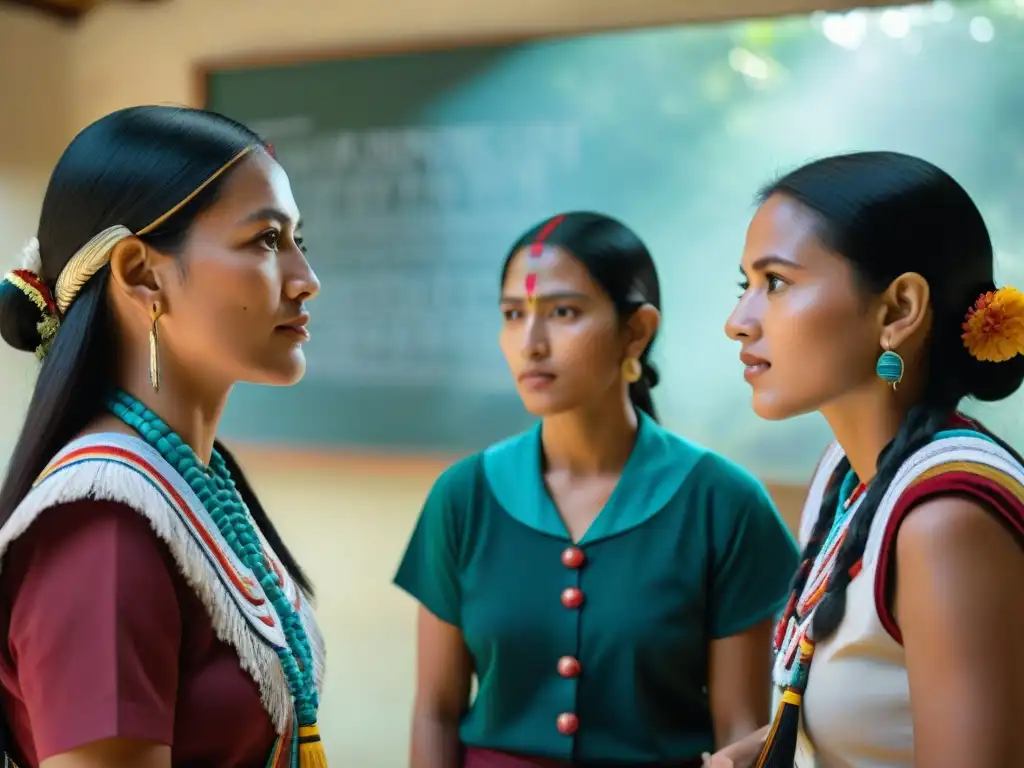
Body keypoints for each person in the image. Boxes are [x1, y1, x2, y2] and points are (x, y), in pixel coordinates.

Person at [394, 211, 800, 768]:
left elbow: (741, 729)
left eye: (563, 312)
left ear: (636, 331)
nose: (531, 343)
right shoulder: (464, 497)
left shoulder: (722, 503)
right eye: (513, 314)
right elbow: (435, 712)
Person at [0, 106, 328, 768]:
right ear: (141, 273)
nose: (305, 279)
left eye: (299, 242)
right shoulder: (101, 528)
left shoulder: (193, 483)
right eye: (266, 240)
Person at [714, 151, 1024, 767]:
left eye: (775, 283)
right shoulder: (847, 473)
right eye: (744, 285)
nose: (738, 323)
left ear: (899, 310)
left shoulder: (944, 522)